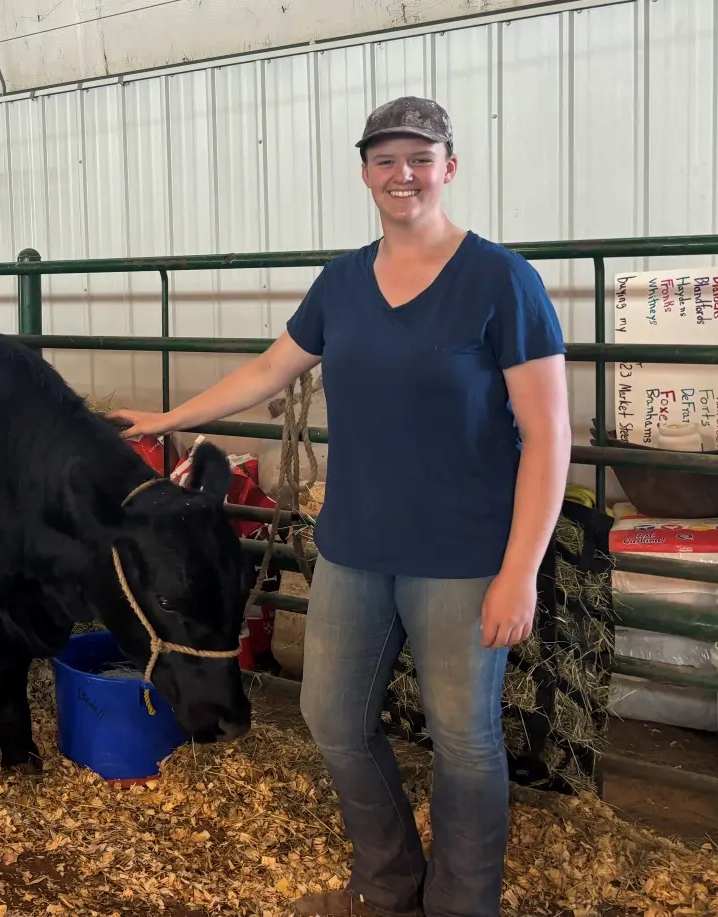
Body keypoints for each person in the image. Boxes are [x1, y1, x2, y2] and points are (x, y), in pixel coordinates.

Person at [112, 97, 571, 917]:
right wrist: (168, 419)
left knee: (464, 738)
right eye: (386, 159)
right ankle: (389, 880)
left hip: (463, 556)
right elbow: (269, 370)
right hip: (355, 546)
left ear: (449, 168)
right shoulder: (342, 280)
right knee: (331, 716)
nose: (404, 174)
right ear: (365, 172)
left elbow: (548, 433)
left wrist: (521, 572)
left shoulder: (502, 279)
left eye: (420, 158)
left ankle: (464, 903)